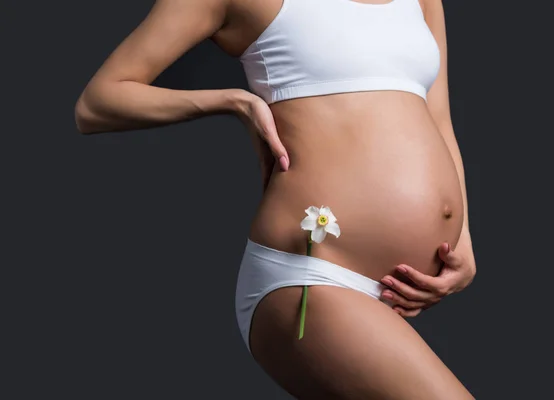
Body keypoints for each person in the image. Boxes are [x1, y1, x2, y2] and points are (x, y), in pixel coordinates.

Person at [74, 0, 477, 398]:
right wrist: (234, 101)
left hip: (397, 287)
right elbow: (98, 102)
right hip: (313, 273)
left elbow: (439, 118)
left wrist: (463, 243)